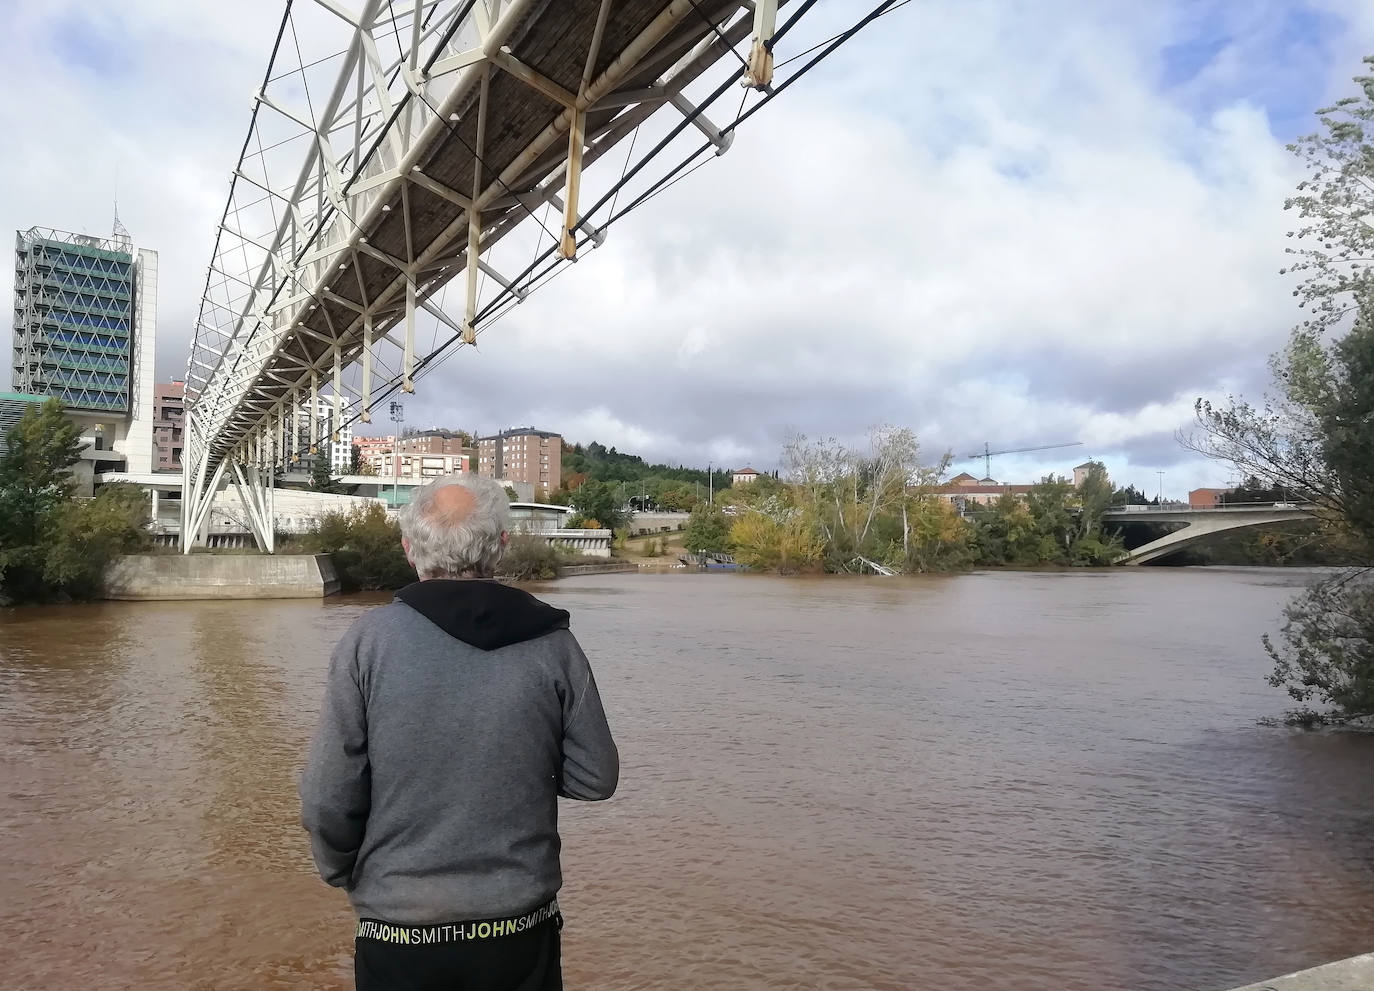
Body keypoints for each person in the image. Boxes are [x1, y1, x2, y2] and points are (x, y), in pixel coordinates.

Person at [301, 474, 619, 991]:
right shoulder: (553, 643)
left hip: (400, 931)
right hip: (520, 929)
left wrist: (342, 872)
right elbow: (595, 778)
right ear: (501, 545)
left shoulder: (367, 643)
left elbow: (327, 796)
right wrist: (518, 758)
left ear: (409, 550)